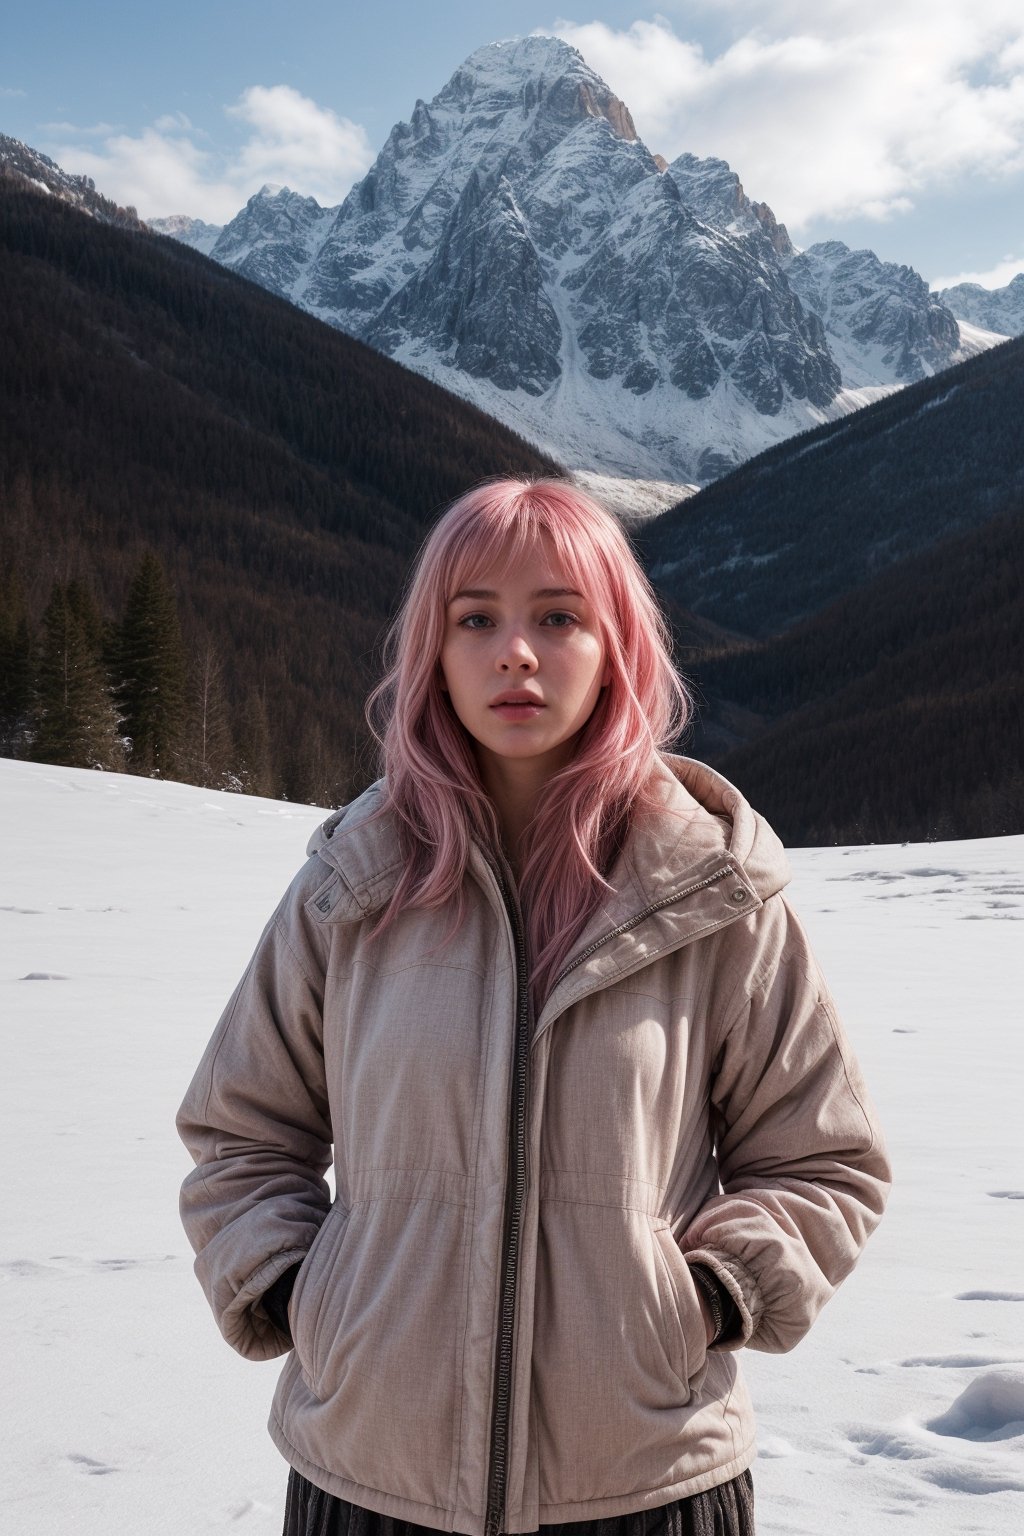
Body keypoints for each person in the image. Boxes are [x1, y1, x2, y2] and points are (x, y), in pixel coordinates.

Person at [177, 478, 891, 1536]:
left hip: (646, 1479)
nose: (516, 651)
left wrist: (706, 1297)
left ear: (615, 646)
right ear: (436, 650)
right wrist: (300, 1291)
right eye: (477, 620)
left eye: (558, 617)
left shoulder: (708, 890)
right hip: (372, 1475)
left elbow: (823, 1160)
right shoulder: (355, 882)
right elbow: (241, 1132)